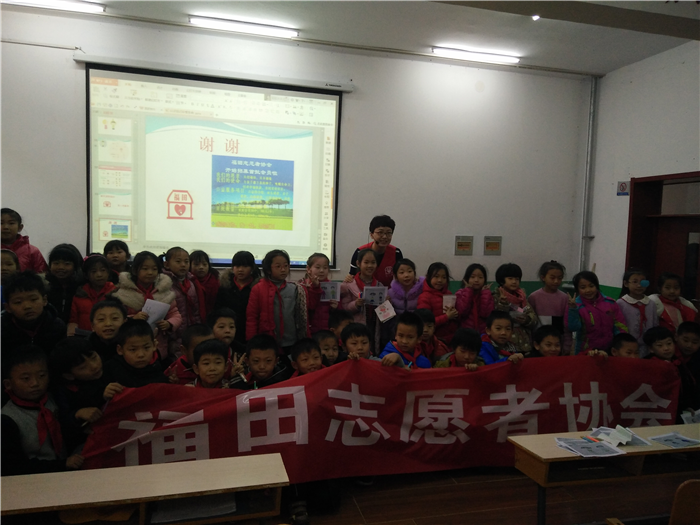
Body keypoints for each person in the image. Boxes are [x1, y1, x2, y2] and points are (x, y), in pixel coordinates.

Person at [2, 345, 83, 476]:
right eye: (25, 378)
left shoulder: (55, 399)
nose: (35, 383)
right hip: (33, 479)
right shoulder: (7, 419)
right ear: (8, 384)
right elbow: (13, 466)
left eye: (41, 375)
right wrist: (62, 464)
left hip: (67, 472)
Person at [110, 251, 182, 361]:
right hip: (132, 344)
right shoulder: (123, 293)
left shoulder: (165, 292)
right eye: (145, 268)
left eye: (154, 269)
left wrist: (169, 323)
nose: (150, 272)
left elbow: (175, 314)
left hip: (159, 345)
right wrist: (133, 319)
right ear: (135, 270)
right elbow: (117, 318)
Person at [247, 249, 321, 353]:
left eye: (286, 266)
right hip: (267, 342)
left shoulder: (296, 288)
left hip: (293, 341)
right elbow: (252, 318)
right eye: (278, 266)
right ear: (268, 269)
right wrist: (251, 342)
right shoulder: (258, 289)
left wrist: (315, 288)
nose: (283, 269)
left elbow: (309, 308)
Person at [49, 338, 123, 435]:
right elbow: (62, 423)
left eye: (94, 358)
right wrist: (77, 414)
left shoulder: (112, 367)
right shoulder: (63, 391)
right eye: (83, 367)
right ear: (69, 375)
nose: (94, 366)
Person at [1, 271, 66, 355]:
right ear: (8, 307)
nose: (27, 306)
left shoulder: (57, 327)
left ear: (44, 300)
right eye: (18, 302)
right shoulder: (2, 329)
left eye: (33, 299)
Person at [568, 271, 628, 355]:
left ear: (596, 286)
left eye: (591, 286)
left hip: (609, 349)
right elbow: (573, 327)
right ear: (577, 289)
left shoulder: (610, 303)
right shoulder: (576, 305)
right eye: (583, 287)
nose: (588, 290)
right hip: (585, 351)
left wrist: (621, 344)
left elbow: (620, 326)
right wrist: (573, 309)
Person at [162, 247, 205, 355]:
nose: (183, 265)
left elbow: (196, 310)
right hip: (172, 334)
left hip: (191, 332)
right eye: (178, 261)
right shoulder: (164, 284)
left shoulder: (191, 283)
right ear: (167, 264)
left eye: (186, 262)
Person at [102, 320, 169, 387]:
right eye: (133, 349)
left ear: (154, 346)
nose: (141, 355)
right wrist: (105, 392)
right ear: (120, 350)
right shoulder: (110, 370)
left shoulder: (159, 367)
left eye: (146, 348)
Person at [340, 248, 382, 353]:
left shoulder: (379, 285)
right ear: (358, 263)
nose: (370, 266)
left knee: (371, 350)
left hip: (374, 326)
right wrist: (356, 304)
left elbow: (385, 313)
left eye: (373, 262)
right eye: (366, 262)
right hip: (356, 327)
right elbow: (344, 307)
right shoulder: (348, 284)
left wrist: (387, 303)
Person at [215, 250, 260, 345]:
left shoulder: (258, 288)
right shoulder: (225, 286)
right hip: (228, 330)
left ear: (252, 268)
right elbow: (218, 309)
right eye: (237, 266)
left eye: (245, 266)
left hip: (249, 331)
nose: (240, 270)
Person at [528, 261, 572, 354]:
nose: (556, 281)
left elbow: (566, 325)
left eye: (559, 278)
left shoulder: (565, 298)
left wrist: (567, 345)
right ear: (543, 277)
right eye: (552, 278)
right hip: (539, 345)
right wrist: (531, 343)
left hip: (557, 345)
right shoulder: (533, 297)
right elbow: (530, 324)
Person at [493, 263, 538, 355]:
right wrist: (503, 304)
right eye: (510, 278)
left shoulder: (522, 298)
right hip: (505, 345)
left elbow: (533, 317)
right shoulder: (496, 297)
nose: (514, 282)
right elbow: (496, 319)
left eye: (517, 279)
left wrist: (526, 320)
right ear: (501, 280)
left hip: (525, 345)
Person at [347, 215, 403, 287]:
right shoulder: (359, 252)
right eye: (380, 232)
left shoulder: (396, 253)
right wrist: (348, 278)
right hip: (362, 291)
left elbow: (401, 276)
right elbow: (352, 276)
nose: (385, 236)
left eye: (389, 233)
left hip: (388, 292)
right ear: (371, 235)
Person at [68, 254, 115, 335]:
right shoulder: (80, 295)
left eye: (103, 270)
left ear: (108, 272)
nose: (99, 274)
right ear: (86, 275)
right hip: (83, 337)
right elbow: (73, 321)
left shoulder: (116, 293)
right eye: (93, 271)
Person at [616, 267, 657, 357]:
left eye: (643, 282)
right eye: (635, 282)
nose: (639, 286)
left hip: (647, 346)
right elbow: (618, 325)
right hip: (627, 346)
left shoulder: (651, 303)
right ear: (626, 283)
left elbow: (655, 324)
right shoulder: (620, 303)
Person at [417, 262, 458, 343]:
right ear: (428, 277)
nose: (440, 280)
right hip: (434, 340)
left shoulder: (449, 294)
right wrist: (446, 317)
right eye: (436, 276)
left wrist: (455, 314)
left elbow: (453, 318)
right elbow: (424, 322)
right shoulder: (424, 297)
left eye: (444, 277)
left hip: (451, 338)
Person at [385, 258, 424, 346]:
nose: (406, 275)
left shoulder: (422, 290)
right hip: (397, 333)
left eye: (409, 271)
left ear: (414, 273)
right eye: (401, 272)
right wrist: (387, 306)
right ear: (395, 276)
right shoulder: (390, 293)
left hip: (415, 331)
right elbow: (386, 318)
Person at [45, 243, 83, 325]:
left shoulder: (82, 288)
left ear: (75, 266)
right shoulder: (44, 287)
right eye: (56, 263)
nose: (61, 267)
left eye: (67, 264)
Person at [0, 208, 47, 273]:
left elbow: (42, 276)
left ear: (20, 227)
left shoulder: (32, 251)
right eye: (1, 223)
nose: (6, 227)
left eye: (11, 223)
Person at [455, 263, 494, 334]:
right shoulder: (460, 293)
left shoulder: (488, 294)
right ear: (467, 279)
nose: (476, 280)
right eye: (472, 277)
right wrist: (468, 292)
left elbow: (486, 314)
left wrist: (485, 294)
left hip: (483, 333)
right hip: (465, 333)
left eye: (480, 277)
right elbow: (462, 312)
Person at [189, 249, 220, 318]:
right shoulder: (186, 283)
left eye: (204, 264)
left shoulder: (216, 282)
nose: (201, 267)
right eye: (196, 264)